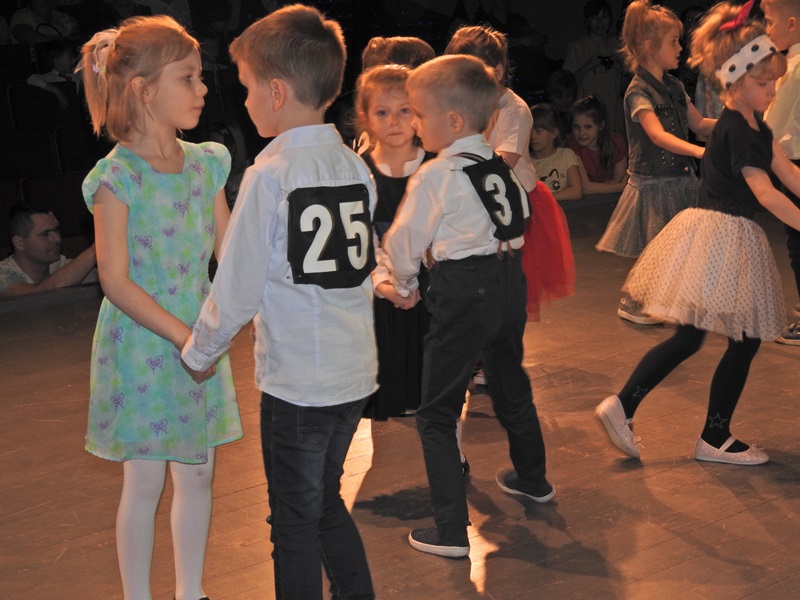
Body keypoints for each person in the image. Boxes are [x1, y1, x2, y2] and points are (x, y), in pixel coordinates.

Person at [180, 6, 376, 599]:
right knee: (322, 502)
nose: (242, 102)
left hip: (298, 383)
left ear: (275, 92)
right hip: (353, 372)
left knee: (293, 522)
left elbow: (237, 284)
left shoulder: (270, 174)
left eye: (245, 89)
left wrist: (199, 352)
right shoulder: (354, 165)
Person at [79, 16, 242, 600]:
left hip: (199, 337)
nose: (203, 88)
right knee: (145, 480)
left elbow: (229, 251)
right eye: (188, 77)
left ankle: (190, 592)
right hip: (145, 343)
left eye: (200, 77)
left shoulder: (207, 163)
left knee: (198, 472)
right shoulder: (116, 177)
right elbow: (114, 279)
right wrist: (183, 335)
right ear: (144, 90)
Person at [596, 1, 800, 466]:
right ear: (734, 80)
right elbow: (766, 192)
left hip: (717, 236)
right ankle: (713, 435)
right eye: (764, 83)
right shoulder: (739, 131)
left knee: (694, 337)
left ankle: (625, 406)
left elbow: (789, 172)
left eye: (775, 82)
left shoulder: (752, 125)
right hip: (724, 238)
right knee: (742, 337)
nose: (772, 91)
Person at [381, 54, 553, 559]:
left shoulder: (436, 174)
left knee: (436, 412)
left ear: (453, 121)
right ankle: (533, 479)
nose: (413, 123)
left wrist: (403, 282)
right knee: (510, 380)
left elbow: (404, 241)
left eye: (418, 113)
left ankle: (452, 530)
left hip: (463, 290)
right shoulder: (499, 167)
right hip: (508, 283)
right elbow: (520, 217)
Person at [596, 0, 715, 325]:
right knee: (657, 249)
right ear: (650, 47)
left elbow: (699, 124)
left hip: (681, 179)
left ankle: (668, 299)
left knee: (681, 248)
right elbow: (657, 135)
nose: (680, 48)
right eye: (673, 41)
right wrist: (698, 152)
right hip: (654, 184)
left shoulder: (674, 86)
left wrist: (737, 122)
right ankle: (635, 302)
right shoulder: (638, 92)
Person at [355, 64, 434, 421]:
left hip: (431, 287)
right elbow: (363, 239)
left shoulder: (436, 166)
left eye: (404, 111)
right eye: (382, 113)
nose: (394, 122)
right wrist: (385, 285)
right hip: (382, 287)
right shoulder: (360, 170)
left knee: (431, 387)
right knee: (386, 380)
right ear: (366, 118)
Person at [762, 0, 800, 345]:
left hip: (796, 163)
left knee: (797, 240)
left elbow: (769, 125)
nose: (766, 29)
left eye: (769, 21)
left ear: (791, 23)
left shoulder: (794, 67)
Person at [0, 201, 97, 297]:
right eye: (45, 234)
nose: (57, 239)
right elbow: (36, 297)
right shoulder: (3, 274)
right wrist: (95, 250)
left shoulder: (63, 265)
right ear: (19, 243)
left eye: (56, 230)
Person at [562, 0, 625, 136]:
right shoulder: (577, 48)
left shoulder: (618, 47)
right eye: (595, 17)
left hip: (614, 114)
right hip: (586, 115)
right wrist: (589, 65)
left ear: (610, 20)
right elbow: (567, 87)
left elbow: (626, 87)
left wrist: (621, 68)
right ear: (587, 21)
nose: (600, 22)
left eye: (604, 17)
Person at [567, 95, 629, 194]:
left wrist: (613, 186)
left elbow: (617, 179)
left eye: (588, 127)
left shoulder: (616, 143)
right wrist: (621, 187)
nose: (581, 133)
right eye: (576, 127)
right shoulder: (572, 145)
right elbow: (585, 188)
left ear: (600, 126)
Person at [530, 102, 583, 201]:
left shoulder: (566, 155)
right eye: (530, 131)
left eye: (538, 131)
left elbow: (576, 191)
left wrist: (545, 199)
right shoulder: (526, 161)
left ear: (554, 132)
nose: (532, 136)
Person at [9, 0, 80, 45]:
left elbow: (78, 37)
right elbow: (25, 34)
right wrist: (55, 44)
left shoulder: (63, 17)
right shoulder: (22, 14)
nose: (45, 2)